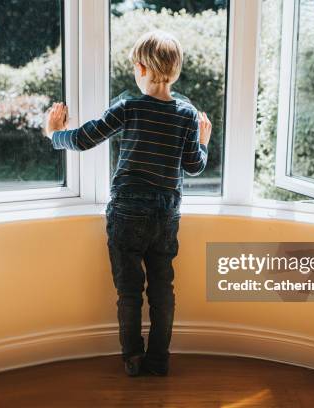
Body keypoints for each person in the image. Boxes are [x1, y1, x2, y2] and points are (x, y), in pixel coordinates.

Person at [43, 30, 212, 377]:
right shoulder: (186, 114)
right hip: (166, 216)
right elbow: (194, 166)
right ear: (175, 71)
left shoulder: (129, 107)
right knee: (163, 290)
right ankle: (159, 359)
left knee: (129, 291)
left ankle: (133, 358)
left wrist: (52, 134)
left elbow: (82, 139)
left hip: (127, 213)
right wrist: (203, 141)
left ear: (140, 68)